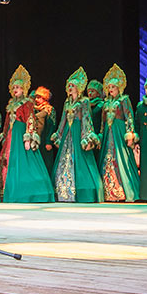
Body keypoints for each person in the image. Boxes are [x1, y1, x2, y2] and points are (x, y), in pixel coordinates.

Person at [0, 65, 54, 202]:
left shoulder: (27, 103)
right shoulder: (11, 104)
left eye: (18, 87)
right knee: (8, 161)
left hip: (20, 133)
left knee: (24, 161)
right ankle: (7, 189)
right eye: (14, 87)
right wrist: (4, 133)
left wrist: (28, 137)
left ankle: (26, 192)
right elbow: (7, 121)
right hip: (11, 134)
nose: (15, 90)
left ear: (24, 89)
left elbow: (30, 119)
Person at [51, 68, 103, 202]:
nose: (69, 88)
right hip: (68, 132)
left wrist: (87, 136)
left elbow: (86, 119)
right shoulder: (67, 102)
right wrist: (58, 134)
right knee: (64, 159)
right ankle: (63, 190)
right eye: (69, 85)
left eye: (72, 86)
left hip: (78, 131)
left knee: (80, 159)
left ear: (78, 88)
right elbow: (63, 120)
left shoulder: (84, 101)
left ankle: (81, 191)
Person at [98, 64, 140, 202]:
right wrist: (101, 134)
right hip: (108, 132)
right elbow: (103, 121)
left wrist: (130, 134)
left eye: (113, 87)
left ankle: (124, 191)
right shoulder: (106, 102)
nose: (110, 89)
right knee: (107, 158)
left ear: (119, 88)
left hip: (119, 131)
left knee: (121, 159)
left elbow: (129, 117)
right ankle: (109, 192)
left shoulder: (124, 100)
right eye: (109, 87)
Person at [34, 86, 57, 174]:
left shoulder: (50, 109)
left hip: (44, 140)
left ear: (44, 98)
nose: (36, 99)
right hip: (36, 139)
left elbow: (52, 126)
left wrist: (49, 141)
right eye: (36, 97)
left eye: (39, 97)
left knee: (46, 162)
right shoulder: (34, 109)